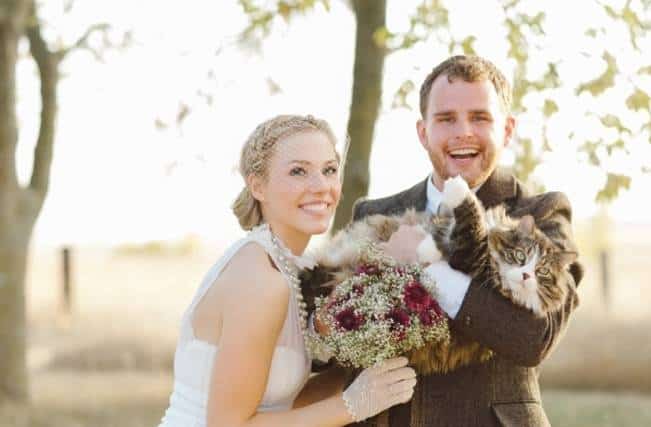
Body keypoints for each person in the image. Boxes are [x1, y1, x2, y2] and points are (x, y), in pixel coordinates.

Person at [343, 55, 584, 426]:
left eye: (480, 118)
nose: (463, 132)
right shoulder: (373, 214)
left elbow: (533, 338)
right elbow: (342, 334)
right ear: (423, 132)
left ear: (506, 130)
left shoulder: (543, 213)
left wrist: (429, 268)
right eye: (446, 119)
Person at [157, 114, 418, 427]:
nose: (321, 186)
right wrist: (351, 405)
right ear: (258, 186)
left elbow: (274, 404)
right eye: (298, 171)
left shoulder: (286, 266)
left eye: (329, 170)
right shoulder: (260, 280)